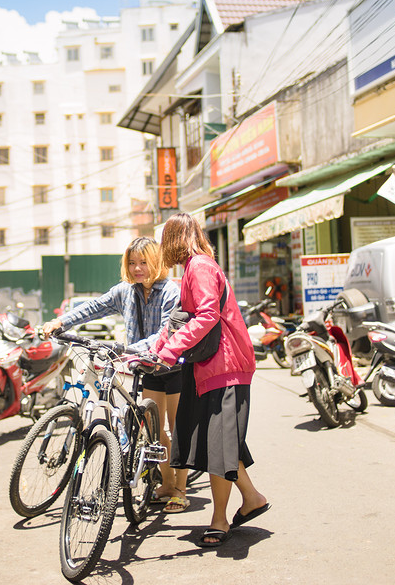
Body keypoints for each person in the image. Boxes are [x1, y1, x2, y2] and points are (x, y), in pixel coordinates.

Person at [41, 237, 189, 511]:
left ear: (156, 262)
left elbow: (166, 333)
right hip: (146, 368)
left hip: (174, 366)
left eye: (144, 262)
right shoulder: (125, 292)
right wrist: (61, 321)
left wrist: (129, 350)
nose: (137, 268)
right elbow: (94, 307)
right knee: (153, 431)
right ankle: (167, 483)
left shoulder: (171, 292)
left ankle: (180, 489)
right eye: (132, 263)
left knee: (178, 429)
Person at [151, 212, 270, 548]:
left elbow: (205, 315)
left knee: (219, 445)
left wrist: (169, 350)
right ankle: (251, 497)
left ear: (172, 240)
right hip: (212, 369)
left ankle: (220, 519)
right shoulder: (195, 268)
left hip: (224, 367)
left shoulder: (200, 267)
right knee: (220, 442)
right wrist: (152, 351)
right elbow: (178, 321)